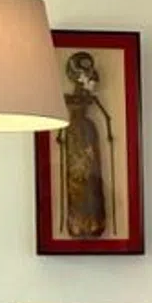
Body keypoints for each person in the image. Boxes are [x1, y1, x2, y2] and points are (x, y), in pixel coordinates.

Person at [59, 49, 114, 238]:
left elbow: (105, 113)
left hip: (86, 133)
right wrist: (60, 133)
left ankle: (94, 223)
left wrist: (109, 131)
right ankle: (77, 224)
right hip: (73, 133)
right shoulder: (69, 100)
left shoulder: (87, 100)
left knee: (90, 179)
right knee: (76, 179)